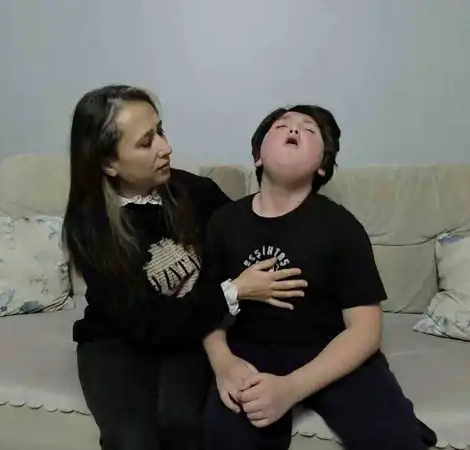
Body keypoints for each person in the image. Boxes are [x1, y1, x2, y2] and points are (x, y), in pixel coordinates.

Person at [62, 85, 308, 450]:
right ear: (108, 163)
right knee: (131, 440)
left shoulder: (193, 191)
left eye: (160, 131)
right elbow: (148, 323)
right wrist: (235, 291)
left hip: (192, 332)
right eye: (146, 142)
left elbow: (247, 232)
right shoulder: (89, 228)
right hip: (119, 339)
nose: (166, 148)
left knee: (184, 423)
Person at [201, 105, 438, 450]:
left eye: (308, 129)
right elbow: (205, 308)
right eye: (281, 125)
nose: (293, 129)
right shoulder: (223, 222)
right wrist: (224, 364)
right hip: (249, 350)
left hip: (330, 350)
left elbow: (365, 330)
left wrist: (291, 389)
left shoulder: (341, 227)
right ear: (258, 157)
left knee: (395, 439)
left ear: (322, 166)